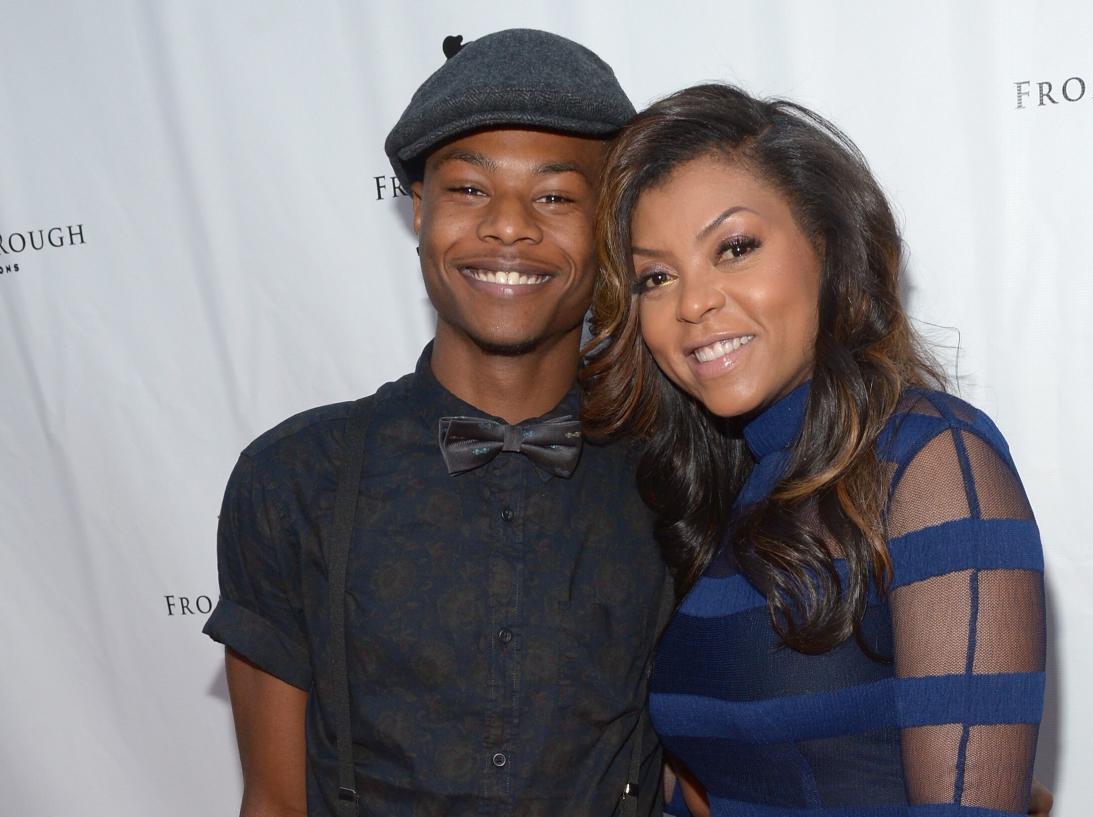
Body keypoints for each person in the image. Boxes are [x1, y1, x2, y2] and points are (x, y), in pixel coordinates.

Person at [203, 30, 671, 817]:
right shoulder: (293, 479)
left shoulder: (678, 476)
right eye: (468, 190)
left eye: (555, 196)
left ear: (610, 229)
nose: (509, 227)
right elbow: (275, 800)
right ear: (419, 209)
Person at [583, 84, 1047, 816]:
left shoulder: (931, 462)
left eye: (734, 248)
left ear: (828, 246)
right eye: (657, 276)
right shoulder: (707, 493)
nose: (693, 301)